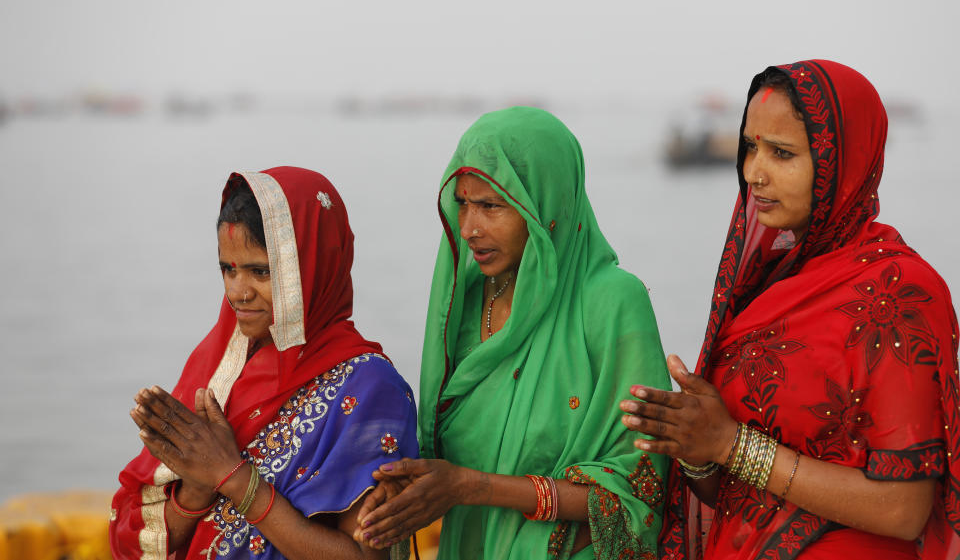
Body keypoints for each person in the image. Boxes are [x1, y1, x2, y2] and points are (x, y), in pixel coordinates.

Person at [620, 60, 960, 559]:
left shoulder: (899, 292)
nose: (754, 173)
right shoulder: (767, 282)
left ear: (844, 160)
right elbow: (744, 492)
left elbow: (904, 508)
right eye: (750, 148)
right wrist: (696, 447)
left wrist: (730, 444)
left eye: (782, 154)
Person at [353, 107, 671, 559]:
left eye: (491, 205)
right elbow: (443, 453)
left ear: (548, 204)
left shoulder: (612, 301)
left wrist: (471, 486)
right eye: (463, 203)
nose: (469, 229)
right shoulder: (462, 305)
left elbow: (638, 490)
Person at [109, 167, 418, 560]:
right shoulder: (220, 367)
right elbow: (140, 536)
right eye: (228, 269)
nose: (238, 292)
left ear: (313, 267)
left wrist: (234, 478)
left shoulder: (371, 387)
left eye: (261, 271)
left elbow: (363, 556)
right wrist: (197, 487)